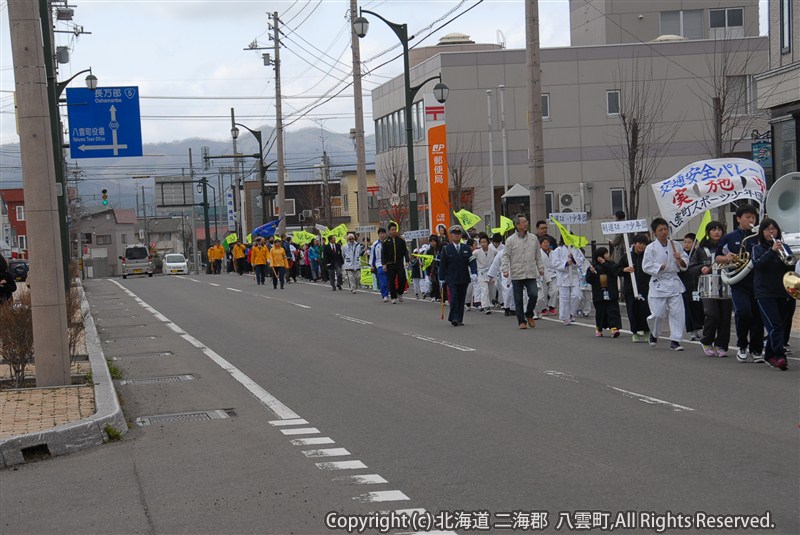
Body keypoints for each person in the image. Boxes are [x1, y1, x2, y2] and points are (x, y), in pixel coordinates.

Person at [715, 205, 764, 363]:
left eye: (753, 218)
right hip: (739, 282)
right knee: (743, 312)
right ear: (738, 219)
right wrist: (727, 258)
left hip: (758, 282)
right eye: (747, 217)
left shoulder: (759, 236)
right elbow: (717, 258)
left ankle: (756, 349)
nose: (751, 220)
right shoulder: (729, 237)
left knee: (758, 316)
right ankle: (742, 345)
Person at [751, 218, 794, 370]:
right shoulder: (757, 248)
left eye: (774, 228)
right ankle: (780, 355)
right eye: (768, 229)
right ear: (762, 232)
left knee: (779, 325)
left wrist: (786, 254)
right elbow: (758, 265)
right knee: (775, 324)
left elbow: (790, 265)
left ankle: (770, 355)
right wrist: (772, 251)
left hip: (782, 291)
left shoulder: (785, 247)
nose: (771, 232)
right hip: (764, 293)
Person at [643, 218, 689, 351]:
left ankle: (675, 340)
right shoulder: (650, 248)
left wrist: (679, 259)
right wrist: (659, 267)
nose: (664, 232)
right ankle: (654, 333)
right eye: (660, 230)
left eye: (665, 229)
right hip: (659, 282)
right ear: (654, 233)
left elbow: (685, 263)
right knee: (657, 314)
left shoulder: (676, 245)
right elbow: (646, 266)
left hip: (674, 282)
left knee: (678, 313)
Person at [501, 214, 544, 329]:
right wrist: (505, 269)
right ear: (517, 225)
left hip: (530, 271)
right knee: (518, 299)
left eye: (526, 222)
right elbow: (505, 256)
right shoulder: (510, 240)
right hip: (517, 273)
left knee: (534, 294)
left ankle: (529, 313)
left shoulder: (533, 238)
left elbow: (538, 255)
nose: (526, 224)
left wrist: (541, 268)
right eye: (523, 222)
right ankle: (521, 321)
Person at [695, 221, 733, 357]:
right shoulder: (700, 249)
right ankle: (706, 341)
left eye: (719, 229)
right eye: (713, 230)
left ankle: (721, 345)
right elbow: (691, 267)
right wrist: (701, 268)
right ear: (708, 232)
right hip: (708, 286)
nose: (717, 232)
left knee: (725, 316)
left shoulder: (728, 247)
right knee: (712, 314)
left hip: (726, 283)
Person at [438, 226, 478, 326]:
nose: (457, 236)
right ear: (451, 236)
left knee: (461, 298)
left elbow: (472, 261)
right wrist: (441, 278)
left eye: (458, 234)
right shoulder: (447, 249)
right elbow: (443, 265)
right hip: (451, 278)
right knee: (454, 297)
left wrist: (474, 272)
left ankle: (459, 318)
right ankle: (454, 317)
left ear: (461, 235)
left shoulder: (466, 249)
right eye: (454, 234)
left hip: (464, 278)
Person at [617, 234, 652, 342]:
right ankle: (635, 332)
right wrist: (625, 269)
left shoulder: (648, 256)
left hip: (645, 288)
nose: (642, 246)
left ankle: (647, 331)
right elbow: (617, 270)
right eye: (639, 243)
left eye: (644, 244)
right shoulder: (627, 256)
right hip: (630, 289)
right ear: (634, 244)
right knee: (632, 311)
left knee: (645, 310)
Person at [586, 247, 622, 337]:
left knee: (613, 310)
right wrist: (592, 273)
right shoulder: (593, 267)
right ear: (599, 256)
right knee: (600, 312)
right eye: (605, 254)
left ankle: (614, 328)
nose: (608, 255)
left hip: (611, 292)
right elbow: (589, 280)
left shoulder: (611, 264)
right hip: (599, 293)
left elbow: (614, 271)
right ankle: (599, 328)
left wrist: (604, 264)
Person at [551, 241, 586, 325]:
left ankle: (571, 313)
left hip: (574, 275)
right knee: (564, 298)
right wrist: (566, 263)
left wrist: (573, 260)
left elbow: (582, 260)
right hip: (563, 276)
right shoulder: (558, 250)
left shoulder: (576, 249)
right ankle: (565, 317)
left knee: (577, 295)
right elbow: (555, 263)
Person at [679, 233, 704, 340]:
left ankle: (700, 329)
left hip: (698, 285)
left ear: (695, 243)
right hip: (685, 286)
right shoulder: (682, 255)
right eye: (685, 242)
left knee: (699, 308)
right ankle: (692, 331)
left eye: (689, 242)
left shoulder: (698, 254)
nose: (686, 244)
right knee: (688, 309)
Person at [382, 222, 409, 304]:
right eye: (392, 230)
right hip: (390, 264)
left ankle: (400, 293)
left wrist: (407, 260)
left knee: (402, 279)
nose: (394, 231)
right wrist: (384, 264)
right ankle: (393, 297)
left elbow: (405, 251)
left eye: (395, 229)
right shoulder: (386, 241)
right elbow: (383, 253)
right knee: (391, 281)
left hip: (399, 263)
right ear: (389, 231)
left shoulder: (401, 239)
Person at [473, 234, 496, 314]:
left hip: (490, 272)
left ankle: (489, 303)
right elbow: (471, 260)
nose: (483, 244)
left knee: (490, 290)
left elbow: (499, 259)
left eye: (485, 242)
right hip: (481, 272)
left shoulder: (493, 251)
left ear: (488, 242)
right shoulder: (476, 252)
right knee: (484, 289)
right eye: (481, 242)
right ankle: (485, 306)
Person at [535, 237, 558, 317]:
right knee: (543, 293)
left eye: (547, 242)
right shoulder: (539, 253)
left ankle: (551, 306)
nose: (546, 244)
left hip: (554, 274)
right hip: (543, 275)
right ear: (540, 245)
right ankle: (543, 308)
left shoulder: (553, 252)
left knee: (555, 291)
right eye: (544, 242)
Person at [370, 228, 389, 302]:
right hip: (379, 264)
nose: (382, 235)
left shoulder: (389, 242)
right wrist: (372, 265)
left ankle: (389, 292)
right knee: (382, 280)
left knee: (388, 280)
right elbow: (372, 255)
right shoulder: (375, 244)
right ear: (378, 235)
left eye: (383, 233)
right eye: (381, 234)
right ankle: (384, 295)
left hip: (389, 264)